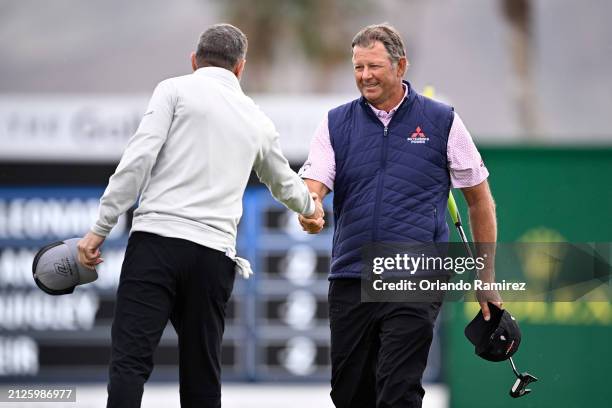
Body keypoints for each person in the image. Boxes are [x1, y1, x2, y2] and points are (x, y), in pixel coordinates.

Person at [77, 23, 324, 408]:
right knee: (202, 377)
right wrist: (311, 210)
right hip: (212, 258)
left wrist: (99, 230)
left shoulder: (173, 90)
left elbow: (137, 160)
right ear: (240, 68)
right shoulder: (255, 117)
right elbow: (284, 182)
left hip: (156, 246)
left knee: (130, 365)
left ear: (194, 60)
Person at [298, 23, 501, 407]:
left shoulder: (443, 122)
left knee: (398, 391)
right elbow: (315, 184)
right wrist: (309, 210)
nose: (364, 76)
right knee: (349, 395)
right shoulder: (335, 122)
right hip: (352, 275)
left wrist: (485, 277)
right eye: (358, 67)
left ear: (400, 66)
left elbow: (480, 201)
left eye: (373, 66)